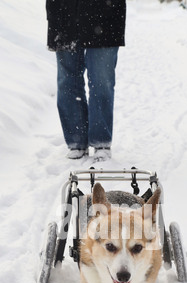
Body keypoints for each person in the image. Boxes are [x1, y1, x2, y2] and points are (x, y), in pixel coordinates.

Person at [46, 0, 126, 162]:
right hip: (64, 15)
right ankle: (76, 141)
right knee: (67, 82)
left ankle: (101, 142)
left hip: (105, 15)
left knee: (102, 82)